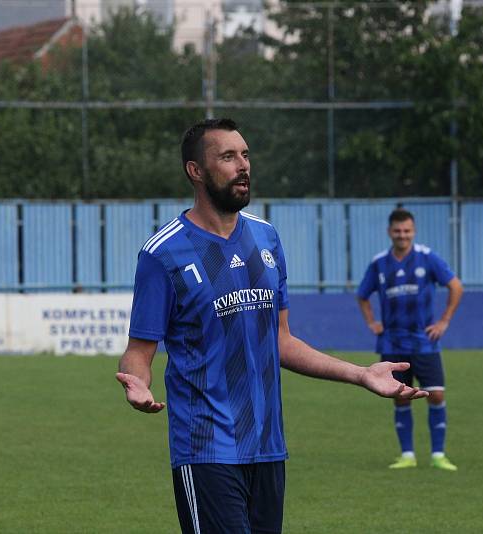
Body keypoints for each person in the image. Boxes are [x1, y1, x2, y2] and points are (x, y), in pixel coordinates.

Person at [115, 118, 428, 534]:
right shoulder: (163, 254)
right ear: (196, 171)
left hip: (267, 447)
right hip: (205, 448)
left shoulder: (266, 239)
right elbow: (140, 352)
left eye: (245, 154)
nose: (243, 165)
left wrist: (361, 374)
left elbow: (281, 341)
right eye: (227, 157)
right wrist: (138, 383)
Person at [356, 208, 463, 471]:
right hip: (392, 345)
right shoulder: (379, 263)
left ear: (413, 232)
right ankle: (407, 455)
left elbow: (456, 286)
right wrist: (372, 322)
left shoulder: (427, 258)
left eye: (407, 231)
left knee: (435, 395)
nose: (402, 235)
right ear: (389, 232)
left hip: (424, 343)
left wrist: (444, 321)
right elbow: (362, 294)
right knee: (400, 397)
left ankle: (438, 454)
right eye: (397, 231)